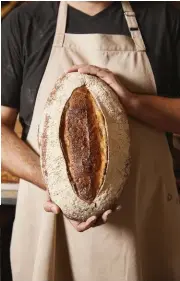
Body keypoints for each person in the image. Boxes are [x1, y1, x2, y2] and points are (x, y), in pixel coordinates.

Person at [1, 1, 180, 281]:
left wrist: (133, 103)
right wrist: (59, 186)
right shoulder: (23, 23)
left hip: (145, 226)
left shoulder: (167, 19)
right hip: (51, 223)